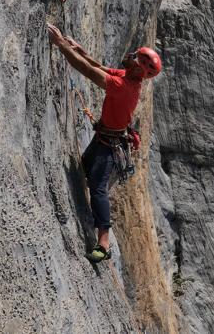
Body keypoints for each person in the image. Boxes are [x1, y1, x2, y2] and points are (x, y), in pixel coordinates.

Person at [47, 23, 162, 262]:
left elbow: (88, 71)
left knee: (98, 189)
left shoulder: (123, 87)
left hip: (109, 146)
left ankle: (104, 242)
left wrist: (60, 44)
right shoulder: (128, 76)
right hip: (105, 139)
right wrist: (79, 49)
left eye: (135, 57)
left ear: (139, 68)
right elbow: (98, 66)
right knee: (85, 170)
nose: (129, 56)